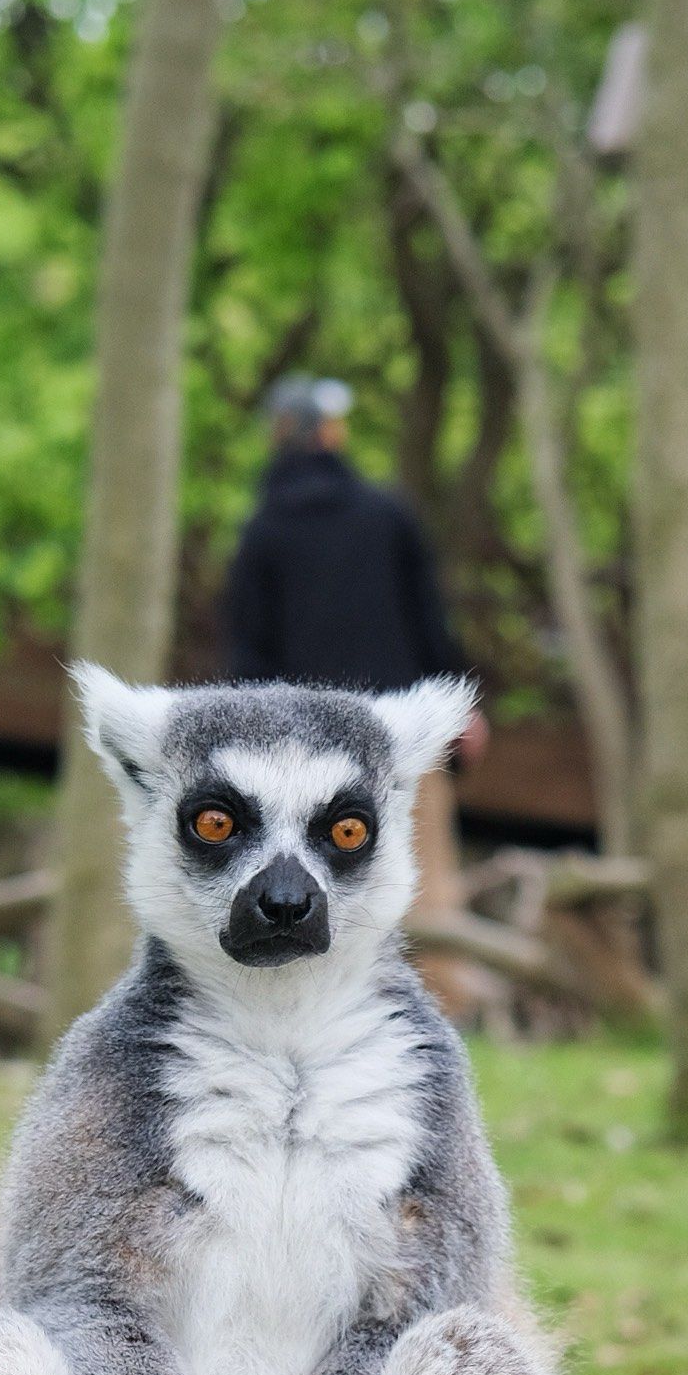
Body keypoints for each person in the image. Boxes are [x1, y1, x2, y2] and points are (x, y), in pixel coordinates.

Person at [223, 376, 484, 1006]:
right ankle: (441, 1012)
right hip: (400, 740)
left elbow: (247, 657)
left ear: (279, 436)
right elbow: (431, 624)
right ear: (332, 435)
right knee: (427, 878)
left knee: (310, 885)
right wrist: (464, 711)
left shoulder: (261, 533)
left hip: (296, 761)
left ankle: (321, 1010)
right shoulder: (386, 513)